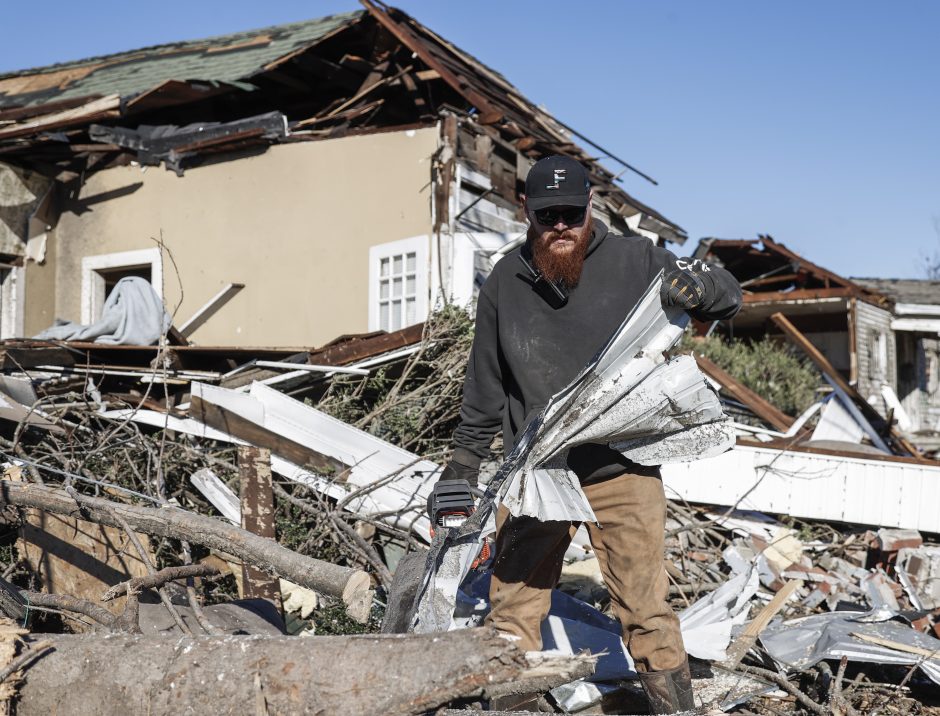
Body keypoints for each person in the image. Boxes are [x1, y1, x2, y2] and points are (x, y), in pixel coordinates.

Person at [437, 155, 742, 713]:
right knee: (513, 610)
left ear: (590, 208)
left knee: (646, 609)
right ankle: (515, 705)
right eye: (548, 214)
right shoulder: (505, 281)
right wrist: (460, 468)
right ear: (525, 209)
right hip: (537, 471)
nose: (560, 226)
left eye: (571, 214)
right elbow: (484, 387)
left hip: (619, 466)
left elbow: (725, 293)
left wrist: (703, 288)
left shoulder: (636, 261)